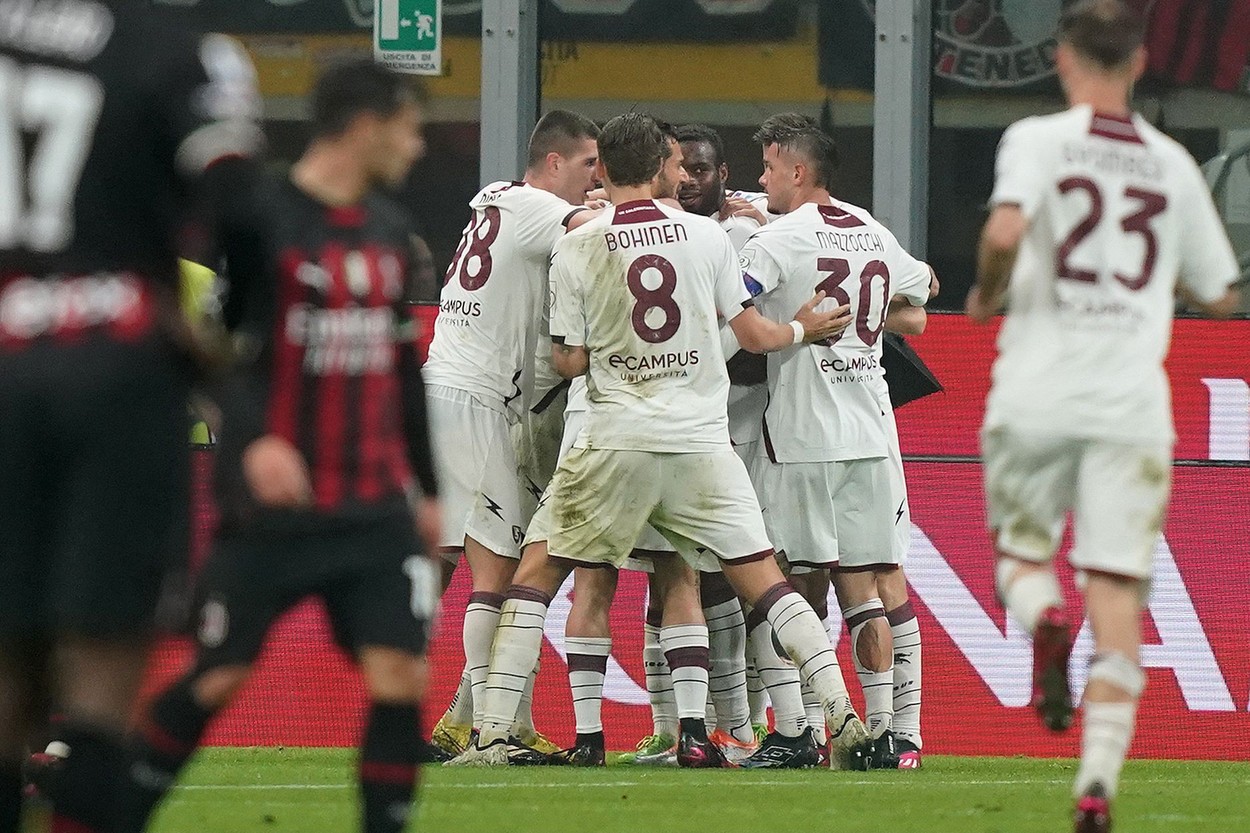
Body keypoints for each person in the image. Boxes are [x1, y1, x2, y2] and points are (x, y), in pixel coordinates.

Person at [454, 112, 872, 770]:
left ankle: (492, 735)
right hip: (700, 441)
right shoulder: (707, 240)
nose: (683, 172)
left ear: (608, 169)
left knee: (535, 576)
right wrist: (801, 329)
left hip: (612, 438)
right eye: (675, 164)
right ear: (655, 168)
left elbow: (569, 360)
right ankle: (841, 715)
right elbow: (756, 336)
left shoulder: (579, 246)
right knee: (765, 578)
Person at [117, 60, 441, 833]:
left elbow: (403, 374)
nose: (418, 145)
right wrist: (254, 436)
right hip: (271, 506)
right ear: (366, 125)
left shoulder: (395, 234)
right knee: (219, 676)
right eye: (409, 126)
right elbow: (214, 342)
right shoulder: (258, 217)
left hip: (371, 506)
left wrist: (427, 491)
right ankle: (111, 811)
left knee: (399, 673)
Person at [967, 2, 1239, 830]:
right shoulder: (1173, 165)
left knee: (1022, 553)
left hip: (1039, 389)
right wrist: (1165, 282)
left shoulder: (1038, 140)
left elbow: (1008, 227)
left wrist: (987, 291)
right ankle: (1096, 783)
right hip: (1131, 404)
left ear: (1062, 59)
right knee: (1118, 587)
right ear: (1144, 61)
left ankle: (1043, 618)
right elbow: (1223, 293)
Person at [0, 1, 263, 829]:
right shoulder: (175, 51)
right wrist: (231, 344)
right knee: (102, 676)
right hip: (117, 365)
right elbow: (241, 205)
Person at [734, 113, 934, 770]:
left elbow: (726, 301)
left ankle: (797, 730)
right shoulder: (872, 229)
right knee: (865, 587)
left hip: (803, 437)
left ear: (797, 170)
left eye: (768, 169)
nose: (762, 182)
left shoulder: (781, 239)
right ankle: (882, 733)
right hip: (872, 432)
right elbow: (924, 286)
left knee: (787, 585)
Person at [423, 110, 600, 758]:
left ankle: (482, 717)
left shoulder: (495, 198)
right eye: (587, 167)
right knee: (498, 568)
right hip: (472, 398)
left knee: (460, 560)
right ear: (553, 162)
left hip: (451, 388)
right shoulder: (533, 205)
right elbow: (604, 233)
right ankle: (487, 728)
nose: (593, 181)